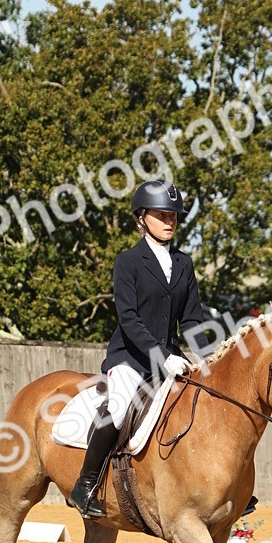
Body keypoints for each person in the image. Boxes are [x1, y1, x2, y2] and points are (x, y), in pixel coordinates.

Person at [70, 179, 205, 518]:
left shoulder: (185, 264)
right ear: (142, 217)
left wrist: (209, 358)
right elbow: (129, 321)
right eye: (162, 215)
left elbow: (191, 320)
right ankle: (85, 485)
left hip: (172, 358)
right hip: (130, 357)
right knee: (117, 407)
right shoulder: (127, 262)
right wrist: (162, 357)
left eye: (174, 215)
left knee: (207, 402)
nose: (170, 221)